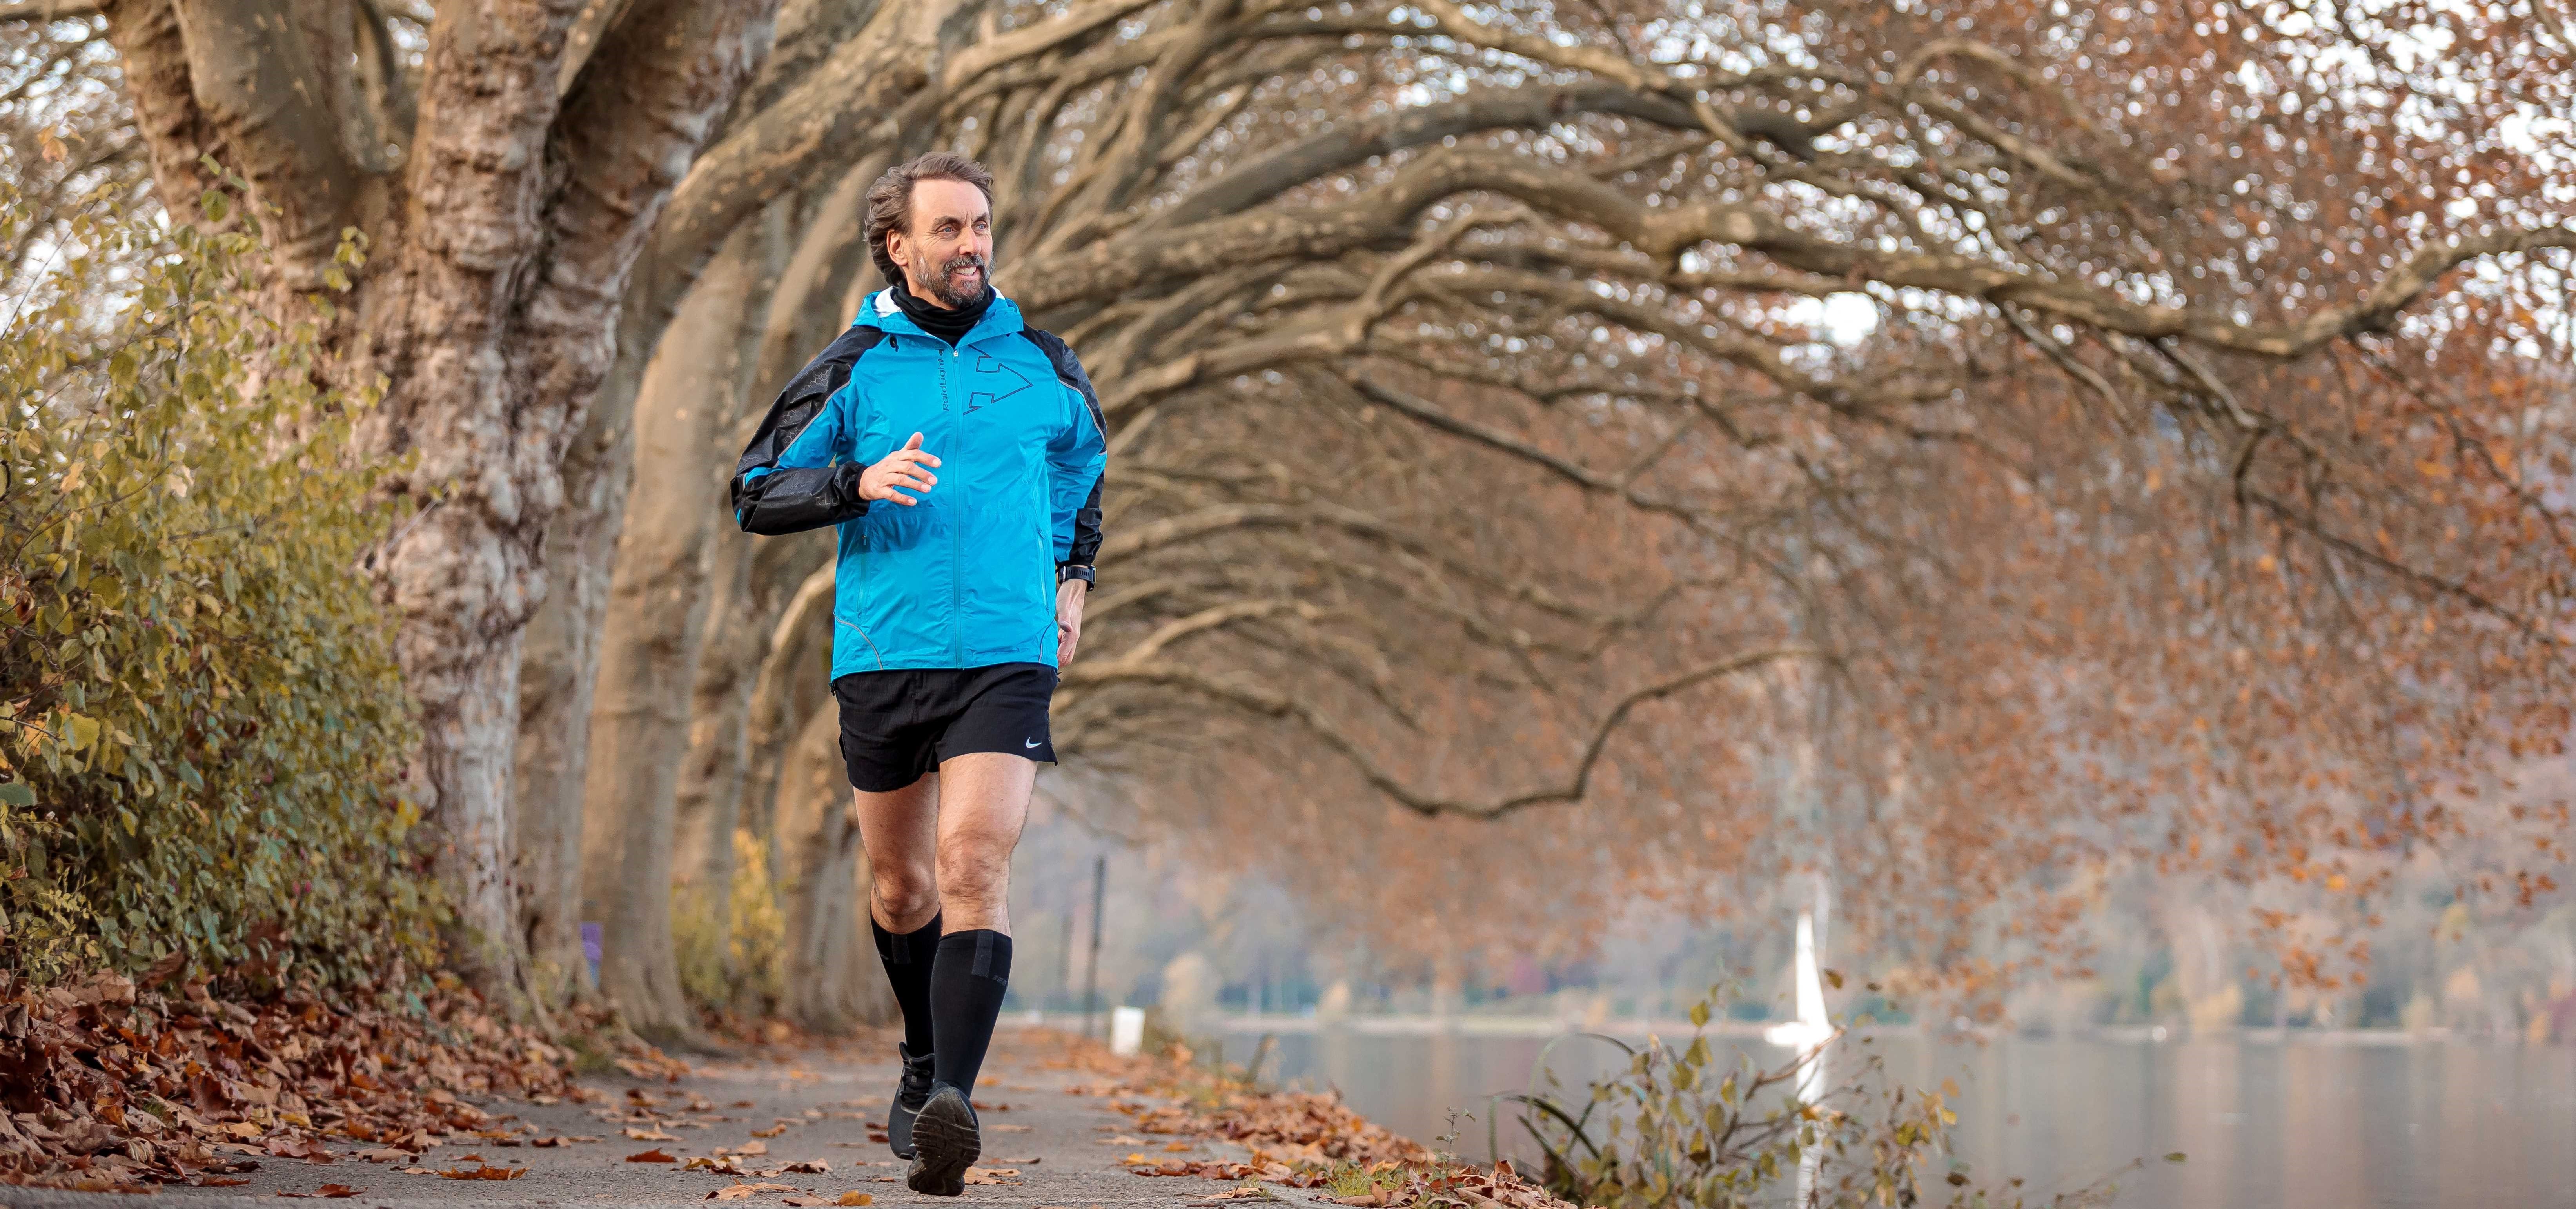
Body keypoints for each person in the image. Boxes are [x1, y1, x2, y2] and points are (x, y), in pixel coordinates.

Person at [728, 151, 1106, 1198]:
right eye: (948, 228)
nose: (971, 244)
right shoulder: (852, 366)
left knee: (973, 859)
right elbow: (755, 489)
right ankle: (922, 1055)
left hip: (1008, 651)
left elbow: (1083, 466)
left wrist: (1072, 575)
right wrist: (855, 481)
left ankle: (953, 1106)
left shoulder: (1043, 361)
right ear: (897, 246)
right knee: (903, 889)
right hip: (886, 653)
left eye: (980, 225)